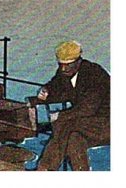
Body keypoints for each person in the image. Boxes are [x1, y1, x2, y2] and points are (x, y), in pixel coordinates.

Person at [35, 40, 110, 171]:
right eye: (61, 64)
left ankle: (45, 169)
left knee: (65, 124)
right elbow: (55, 85)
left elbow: (89, 108)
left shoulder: (95, 73)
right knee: (74, 139)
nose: (63, 69)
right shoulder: (64, 72)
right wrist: (46, 90)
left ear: (78, 61)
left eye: (68, 65)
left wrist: (60, 115)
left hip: (107, 123)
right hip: (84, 124)